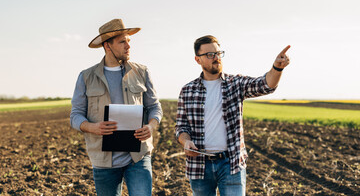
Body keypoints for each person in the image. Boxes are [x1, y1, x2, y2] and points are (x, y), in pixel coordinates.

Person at [175, 35, 290, 196]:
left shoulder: (235, 84)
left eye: (218, 53)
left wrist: (277, 68)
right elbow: (181, 127)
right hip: (199, 165)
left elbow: (265, 85)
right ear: (198, 59)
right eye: (210, 54)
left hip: (231, 164)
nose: (216, 58)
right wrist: (186, 141)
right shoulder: (187, 90)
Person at [70, 18, 163, 196]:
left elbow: (155, 107)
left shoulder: (141, 72)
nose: (128, 46)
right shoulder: (86, 77)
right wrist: (93, 127)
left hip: (138, 157)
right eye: (122, 42)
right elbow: (75, 116)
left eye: (129, 41)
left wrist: (150, 126)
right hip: (103, 161)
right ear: (107, 46)